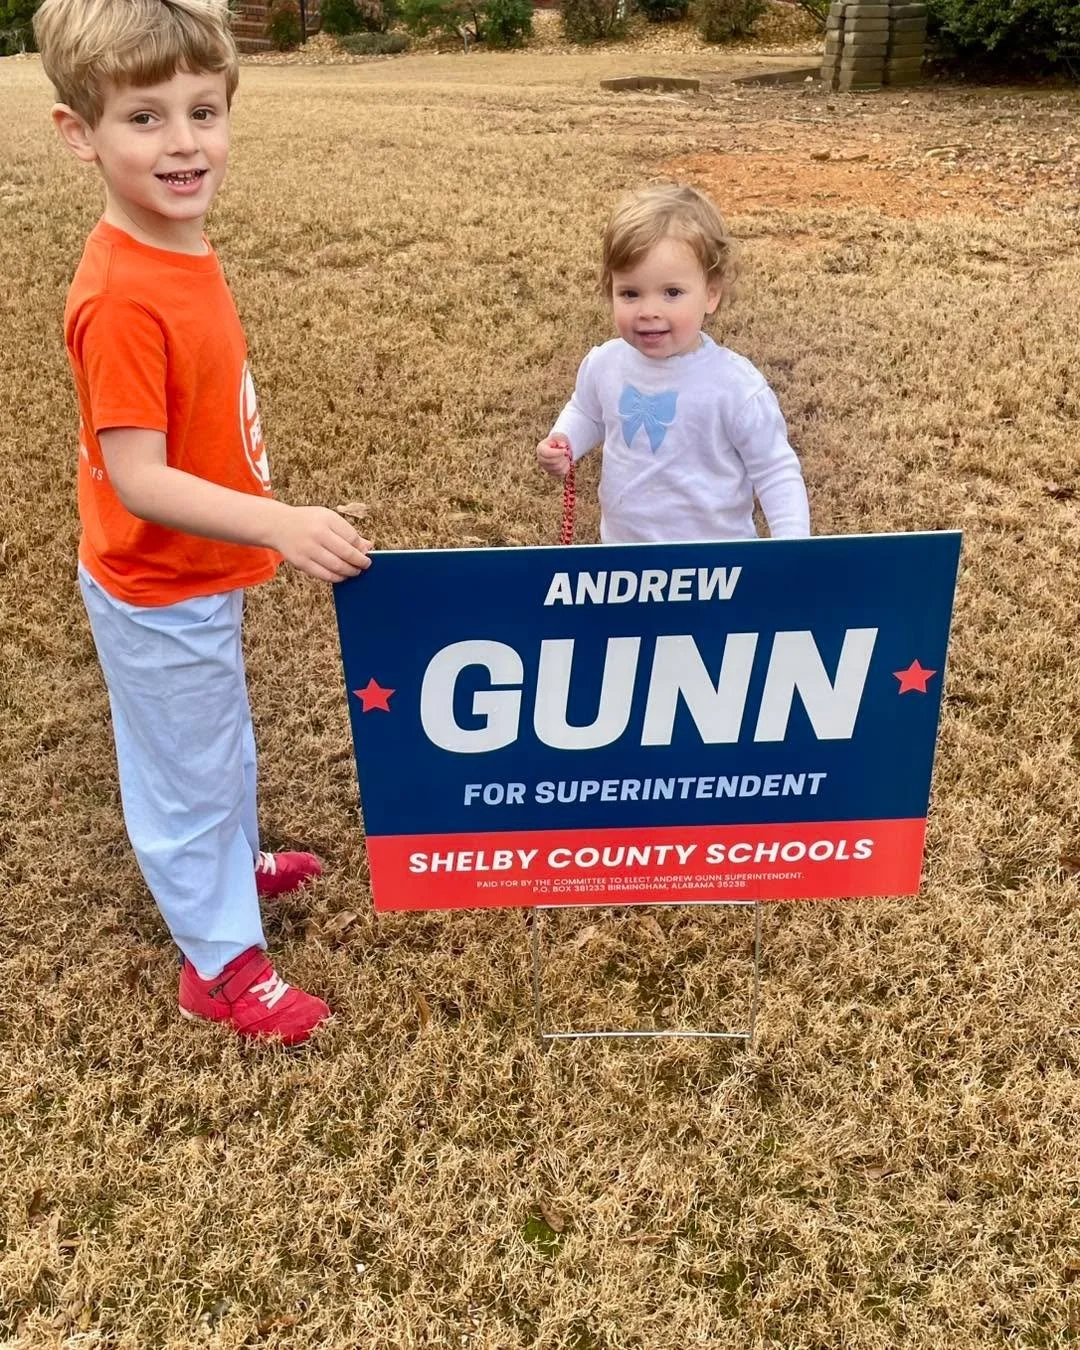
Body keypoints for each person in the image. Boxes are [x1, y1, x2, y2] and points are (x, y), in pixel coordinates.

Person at [33, 0, 371, 1044]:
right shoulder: (125, 293)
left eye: (204, 110)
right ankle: (220, 967)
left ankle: (231, 867)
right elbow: (140, 476)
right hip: (156, 579)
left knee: (216, 745)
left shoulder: (176, 240)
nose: (184, 142)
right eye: (145, 118)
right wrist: (276, 521)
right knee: (186, 771)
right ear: (78, 132)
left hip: (194, 572)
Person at [536, 183, 810, 544]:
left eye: (672, 293)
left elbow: (775, 471)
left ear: (711, 294)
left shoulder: (735, 386)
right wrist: (565, 440)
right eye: (630, 293)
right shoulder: (605, 364)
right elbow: (587, 411)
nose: (649, 311)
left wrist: (792, 549)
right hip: (626, 563)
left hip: (716, 570)